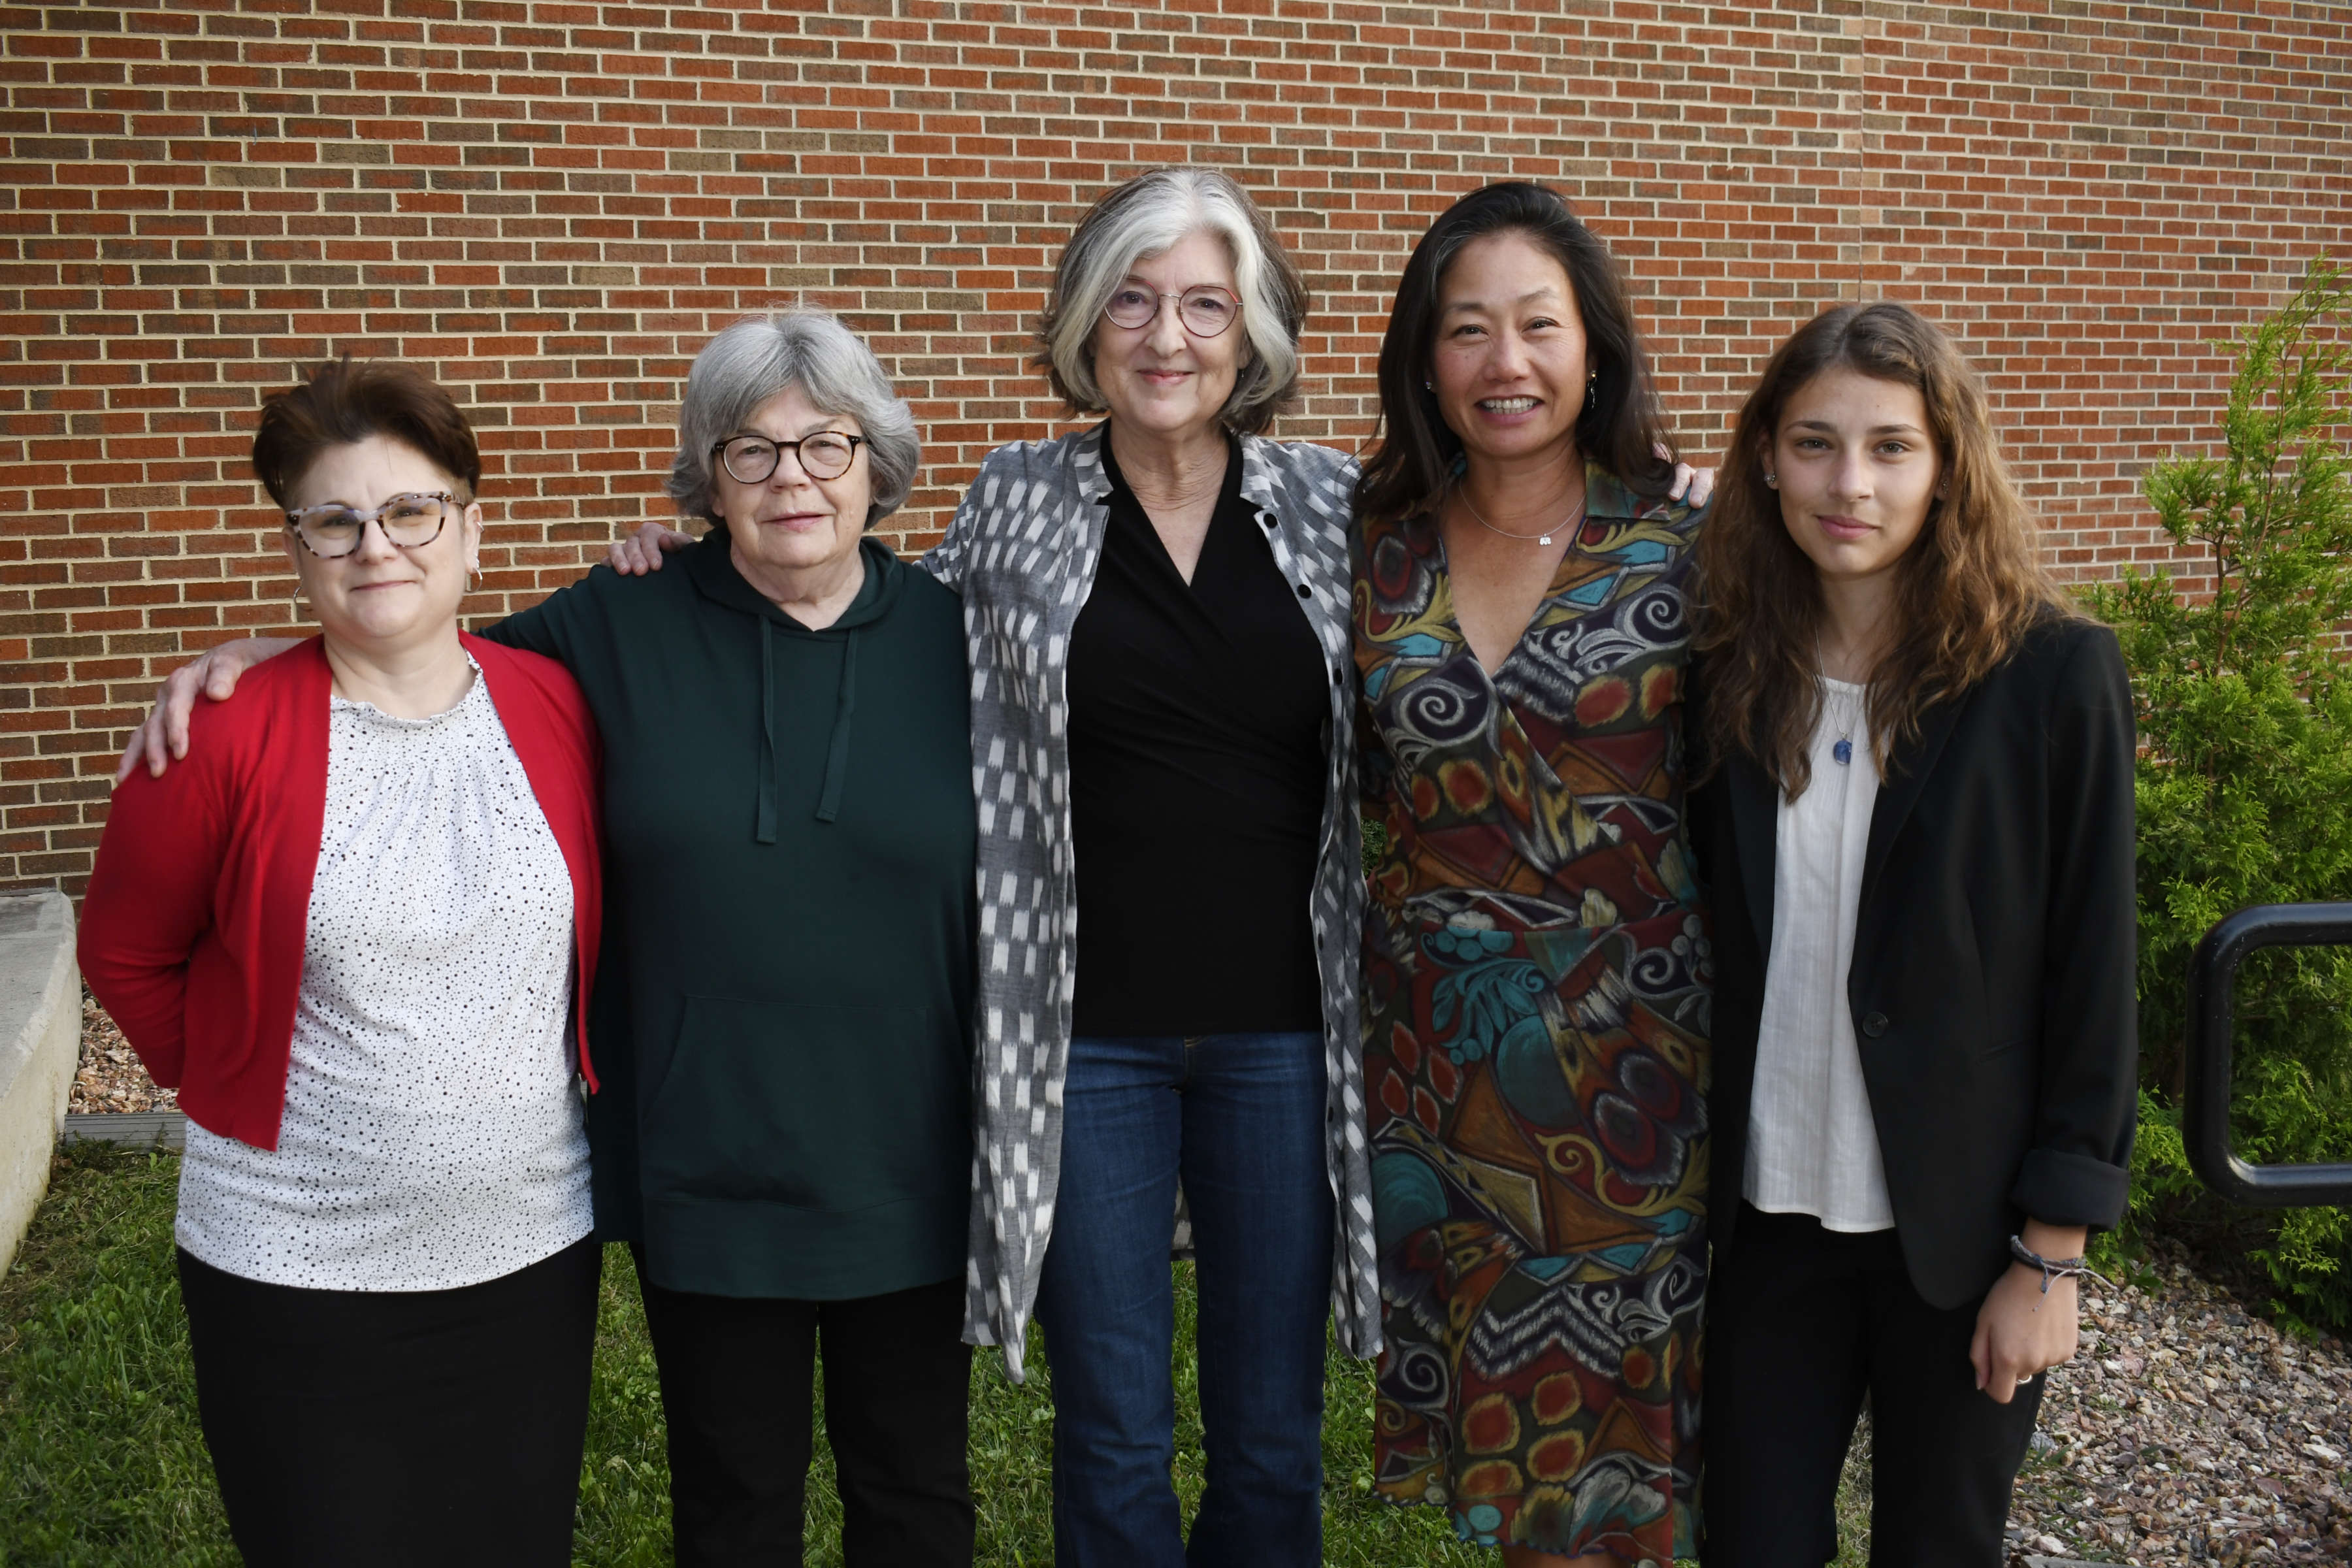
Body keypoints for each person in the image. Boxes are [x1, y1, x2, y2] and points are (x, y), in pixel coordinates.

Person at [113, 312, 980, 1567]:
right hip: (707, 1166)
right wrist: (263, 658)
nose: (792, 477)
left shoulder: (969, 641)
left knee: (918, 1495)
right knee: (734, 1503)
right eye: (750, 451)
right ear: (703, 479)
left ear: (878, 462)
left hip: (914, 1155)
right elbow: (412, 647)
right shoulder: (612, 629)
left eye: (827, 445)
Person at [80, 361, 606, 1567]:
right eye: (335, 518)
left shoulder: (557, 702)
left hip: (527, 1254)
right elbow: (123, 950)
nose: (379, 546)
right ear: (299, 547)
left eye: (413, 510)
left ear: (473, 528)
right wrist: (234, 1073)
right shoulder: (221, 730)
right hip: (294, 1267)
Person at [1686, 301, 2138, 1566]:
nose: (1850, 484)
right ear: (1766, 456)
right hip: (1766, 1231)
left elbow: (2094, 973)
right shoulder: (1725, 666)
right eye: (1816, 443)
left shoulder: (2051, 675)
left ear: (1947, 469)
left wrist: (2051, 1259)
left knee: (1940, 1546)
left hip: (1958, 1234)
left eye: (1891, 448)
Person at [1351, 181, 1709, 1566]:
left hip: (1639, 1077)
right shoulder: (1370, 551)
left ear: (1596, 347)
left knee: (1629, 1475)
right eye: (1467, 331)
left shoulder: (1693, 541)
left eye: (1538, 326)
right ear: (1424, 363)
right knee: (1515, 1479)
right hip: (1444, 1082)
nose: (1507, 363)